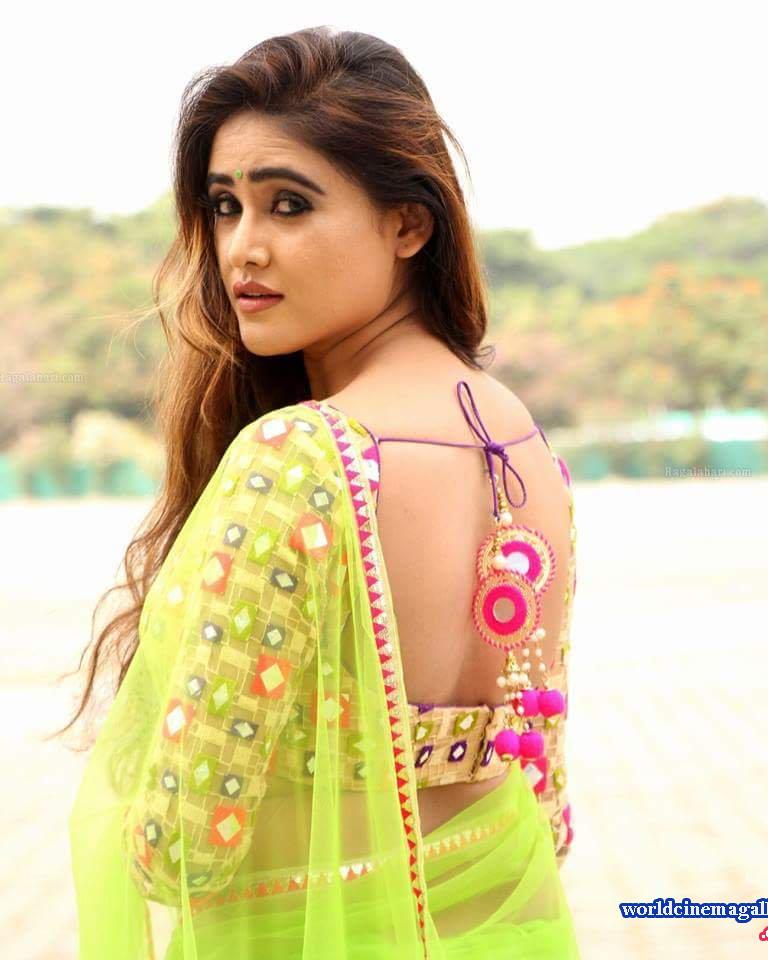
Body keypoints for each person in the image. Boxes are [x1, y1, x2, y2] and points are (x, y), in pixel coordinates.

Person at [63, 26, 581, 959]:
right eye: (225, 207)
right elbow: (544, 783)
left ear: (407, 225)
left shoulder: (301, 456)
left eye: (289, 205)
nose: (242, 249)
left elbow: (178, 848)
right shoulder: (522, 439)